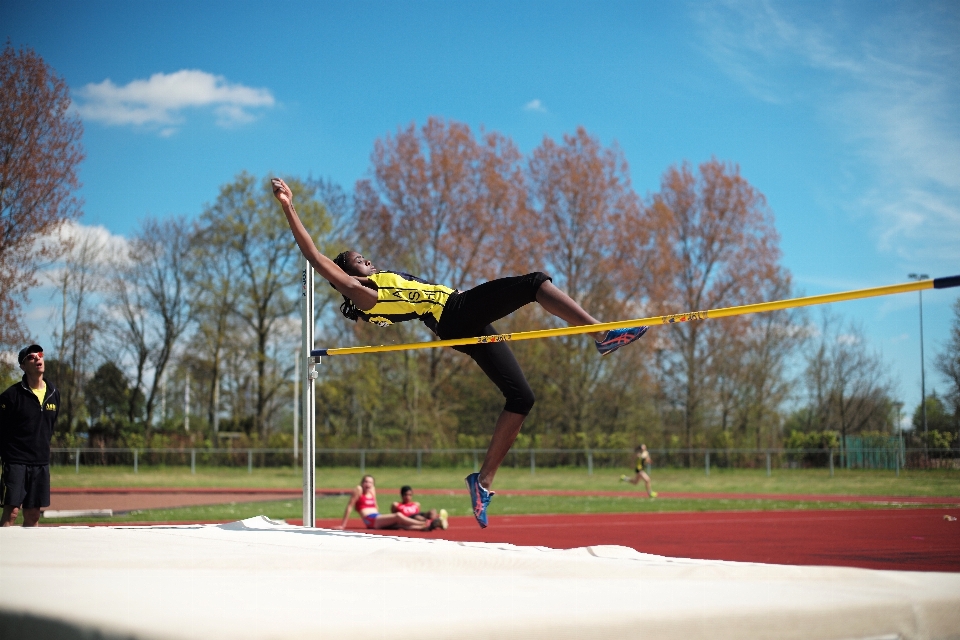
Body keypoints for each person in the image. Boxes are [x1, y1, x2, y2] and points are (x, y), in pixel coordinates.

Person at [272, 178, 648, 528]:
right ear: (347, 275)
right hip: (454, 312)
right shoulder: (363, 292)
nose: (367, 261)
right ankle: (602, 333)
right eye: (358, 261)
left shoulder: (382, 285)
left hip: (453, 323)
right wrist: (290, 207)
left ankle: (482, 483)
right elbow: (316, 257)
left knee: (521, 398)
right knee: (534, 282)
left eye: (365, 258)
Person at [0, 345, 60, 526]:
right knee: (12, 513)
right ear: (23, 366)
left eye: (40, 355)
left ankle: (30, 554)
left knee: (33, 515)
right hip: (16, 461)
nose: (37, 359)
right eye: (31, 357)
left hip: (40, 463)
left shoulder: (54, 393)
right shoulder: (11, 396)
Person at [337, 474, 443, 531]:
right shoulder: (359, 489)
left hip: (377, 517)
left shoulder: (372, 490)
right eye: (365, 481)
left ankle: (424, 527)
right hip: (370, 519)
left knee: (399, 525)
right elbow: (350, 506)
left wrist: (382, 517)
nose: (367, 484)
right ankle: (424, 523)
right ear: (361, 482)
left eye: (370, 482)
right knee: (397, 515)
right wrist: (343, 525)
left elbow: (376, 506)